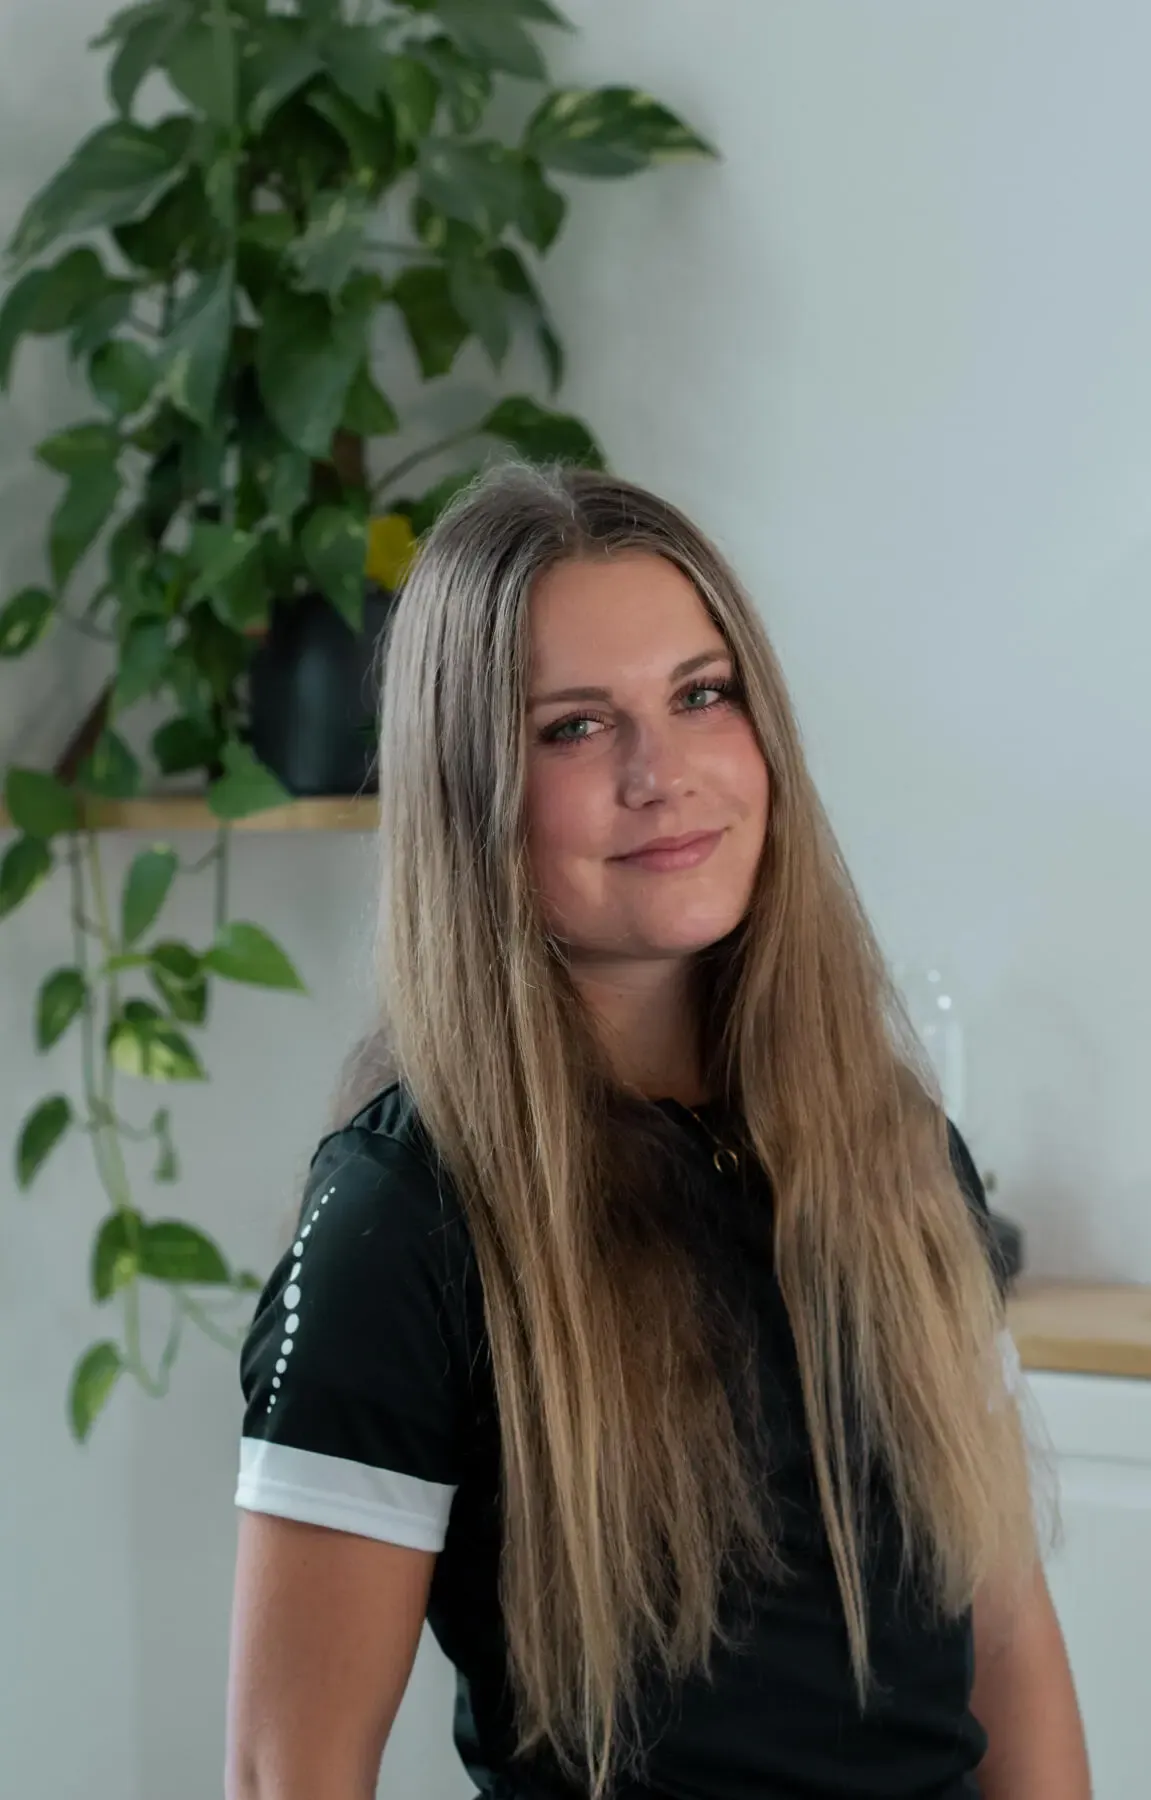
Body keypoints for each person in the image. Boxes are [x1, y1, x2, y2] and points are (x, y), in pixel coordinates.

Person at [225, 465, 1090, 1800]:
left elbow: (1012, 1645)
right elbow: (293, 1773)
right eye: (575, 728)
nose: (662, 775)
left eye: (701, 695)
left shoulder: (900, 1155)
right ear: (475, 794)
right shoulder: (403, 1220)